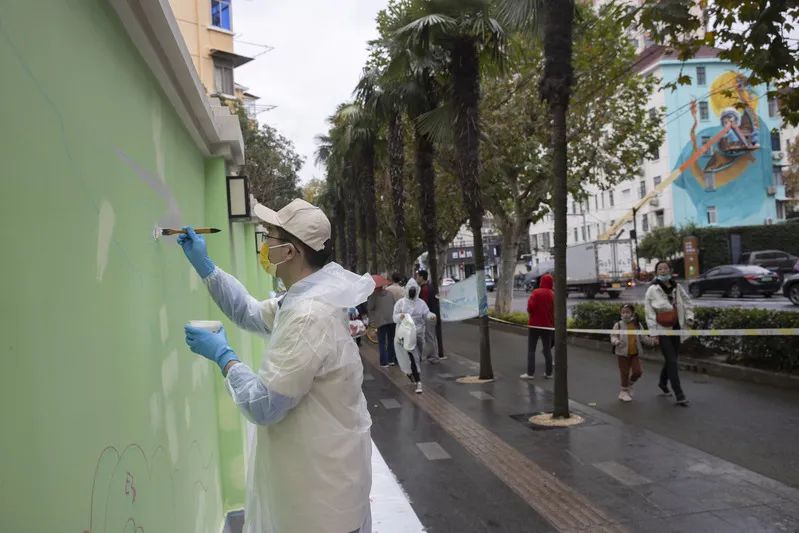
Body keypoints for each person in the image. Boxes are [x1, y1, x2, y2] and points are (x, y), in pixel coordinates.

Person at [178, 198, 374, 533]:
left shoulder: (309, 315)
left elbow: (264, 405)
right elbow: (249, 312)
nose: (264, 245)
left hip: (321, 504)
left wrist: (224, 357)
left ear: (290, 251)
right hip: (323, 486)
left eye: (270, 236)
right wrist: (207, 267)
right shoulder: (303, 299)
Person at [644, 260, 695, 407]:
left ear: (670, 270)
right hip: (662, 329)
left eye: (665, 268)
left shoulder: (677, 287)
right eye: (660, 269)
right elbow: (649, 312)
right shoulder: (652, 289)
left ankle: (662, 382)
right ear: (656, 272)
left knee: (671, 359)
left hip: (677, 327)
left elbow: (688, 303)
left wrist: (690, 317)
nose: (663, 271)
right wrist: (653, 332)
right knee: (672, 361)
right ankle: (679, 394)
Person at [393, 279, 435, 393]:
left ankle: (412, 373)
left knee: (418, 356)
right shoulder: (401, 303)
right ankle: (418, 381)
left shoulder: (421, 303)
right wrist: (400, 317)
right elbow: (395, 317)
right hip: (407, 334)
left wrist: (431, 316)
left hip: (419, 333)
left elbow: (426, 313)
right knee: (413, 356)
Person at [610, 304, 656, 402]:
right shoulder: (618, 325)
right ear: (620, 313)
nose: (625, 314)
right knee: (624, 372)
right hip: (622, 353)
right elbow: (613, 336)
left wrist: (652, 341)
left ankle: (629, 385)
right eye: (623, 312)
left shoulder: (637, 325)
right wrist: (616, 341)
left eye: (627, 312)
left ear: (632, 313)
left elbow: (643, 337)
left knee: (638, 372)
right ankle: (623, 392)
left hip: (635, 353)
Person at [521, 273, 554, 380]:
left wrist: (531, 313)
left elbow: (530, 307)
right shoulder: (553, 294)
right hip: (547, 326)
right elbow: (554, 311)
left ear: (541, 282)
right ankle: (548, 373)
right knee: (547, 350)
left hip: (534, 325)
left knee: (531, 350)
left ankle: (530, 373)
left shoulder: (536, 292)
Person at [368, 283, 398, 367]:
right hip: (391, 320)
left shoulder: (373, 296)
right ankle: (391, 360)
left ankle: (384, 362)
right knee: (391, 340)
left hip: (381, 321)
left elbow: (370, 308)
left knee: (382, 342)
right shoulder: (390, 294)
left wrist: (372, 320)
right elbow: (394, 304)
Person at [414, 269, 441, 363]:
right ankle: (432, 355)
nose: (416, 278)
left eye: (417, 276)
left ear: (421, 277)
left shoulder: (424, 289)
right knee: (431, 336)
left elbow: (424, 303)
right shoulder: (429, 287)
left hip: (428, 315)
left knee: (429, 337)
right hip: (432, 314)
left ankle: (434, 357)